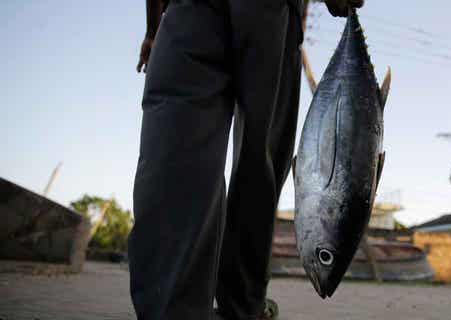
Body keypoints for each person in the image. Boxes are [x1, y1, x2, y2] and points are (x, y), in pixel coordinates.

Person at [129, 0, 364, 319]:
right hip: (268, 10)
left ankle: (171, 308)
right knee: (260, 160)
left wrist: (153, 29)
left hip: (187, 10)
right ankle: (241, 308)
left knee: (176, 151)